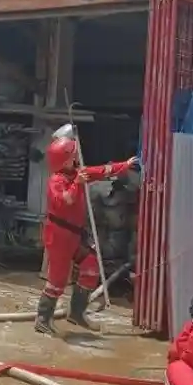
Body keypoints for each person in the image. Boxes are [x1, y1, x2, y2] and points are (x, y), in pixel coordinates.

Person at [34, 133, 137, 333]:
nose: (77, 157)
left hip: (75, 233)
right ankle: (43, 319)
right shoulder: (56, 181)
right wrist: (77, 184)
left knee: (91, 266)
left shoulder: (78, 174)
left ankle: (77, 313)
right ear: (64, 159)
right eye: (73, 155)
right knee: (58, 279)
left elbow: (102, 171)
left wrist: (125, 164)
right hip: (59, 235)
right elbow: (66, 201)